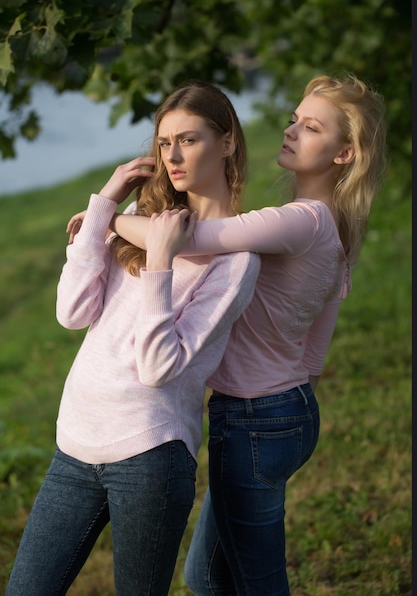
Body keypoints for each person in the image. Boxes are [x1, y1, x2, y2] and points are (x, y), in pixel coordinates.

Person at [79, 73, 387, 595]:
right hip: (287, 410)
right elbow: (314, 354)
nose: (291, 131)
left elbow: (183, 237)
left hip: (255, 418)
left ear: (344, 154)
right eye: (294, 119)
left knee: (257, 580)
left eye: (311, 128)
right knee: (207, 575)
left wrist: (103, 222)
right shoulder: (337, 225)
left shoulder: (302, 220)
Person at [4, 82, 261, 596]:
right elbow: (71, 313)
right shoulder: (135, 223)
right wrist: (105, 205)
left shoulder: (236, 262)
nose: (173, 156)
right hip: (74, 444)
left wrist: (162, 261)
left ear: (228, 142)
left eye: (188, 140)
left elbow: (157, 366)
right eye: (164, 143)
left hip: (149, 455)